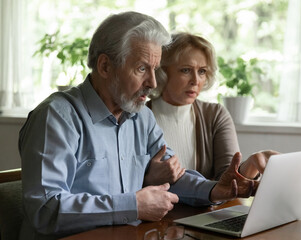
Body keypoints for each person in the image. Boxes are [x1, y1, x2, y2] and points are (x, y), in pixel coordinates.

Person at [18, 12, 275, 240]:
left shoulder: (141, 116)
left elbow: (174, 178)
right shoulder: (57, 116)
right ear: (105, 66)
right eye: (142, 68)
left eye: (154, 69)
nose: (153, 82)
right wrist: (133, 205)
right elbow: (45, 208)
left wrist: (214, 190)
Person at [145, 32, 277, 183]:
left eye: (202, 71)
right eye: (186, 70)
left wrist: (252, 164)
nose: (196, 80)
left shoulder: (215, 115)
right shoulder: (137, 118)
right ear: (162, 72)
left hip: (206, 207)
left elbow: (228, 178)